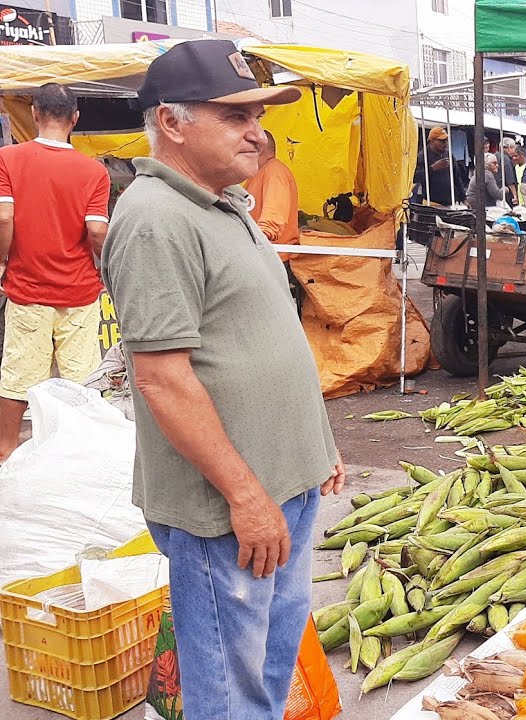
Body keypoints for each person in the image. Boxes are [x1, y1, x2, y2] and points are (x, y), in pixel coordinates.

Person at [100, 39, 343, 719]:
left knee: (267, 667)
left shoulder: (224, 203)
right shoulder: (156, 219)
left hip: (284, 484)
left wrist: (317, 445)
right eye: (235, 116)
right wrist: (245, 496)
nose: (256, 132)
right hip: (228, 508)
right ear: (172, 122)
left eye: (257, 116)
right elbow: (162, 380)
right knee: (230, 688)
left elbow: (264, 336)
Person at [0, 83, 110, 462]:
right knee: (82, 378)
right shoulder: (93, 171)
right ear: (75, 119)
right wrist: (106, 266)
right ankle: (83, 454)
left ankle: (5, 451)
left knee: (19, 373)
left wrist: (2, 262)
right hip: (79, 292)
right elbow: (97, 230)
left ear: (34, 113)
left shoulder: (8, 158)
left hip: (27, 288)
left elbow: (4, 217)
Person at [244, 130, 302, 314]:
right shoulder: (261, 173)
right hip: (263, 255)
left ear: (258, 149)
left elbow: (272, 220)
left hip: (272, 258)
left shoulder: (274, 173)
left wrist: (251, 242)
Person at [420, 126, 464, 206]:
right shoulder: (423, 156)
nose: (445, 144)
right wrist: (433, 168)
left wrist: (464, 198)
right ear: (432, 141)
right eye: (442, 141)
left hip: (449, 203)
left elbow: (457, 177)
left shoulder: (448, 154)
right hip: (431, 204)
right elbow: (416, 177)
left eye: (446, 140)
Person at [499, 137, 523, 206]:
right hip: (507, 192)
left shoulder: (495, 156)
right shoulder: (506, 159)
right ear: (509, 147)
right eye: (514, 147)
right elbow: (510, 180)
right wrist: (515, 195)